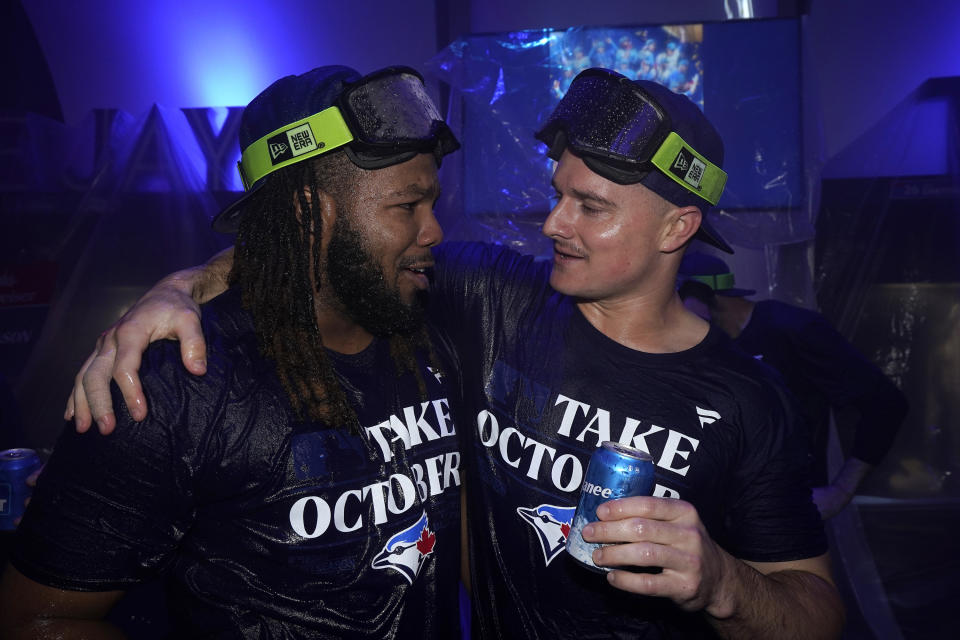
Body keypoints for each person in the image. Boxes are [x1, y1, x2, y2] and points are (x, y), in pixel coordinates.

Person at [61, 68, 846, 638]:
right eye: (557, 194)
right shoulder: (494, 300)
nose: (552, 224)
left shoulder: (750, 401)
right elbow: (327, 250)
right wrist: (181, 286)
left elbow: (814, 608)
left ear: (677, 229)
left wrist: (722, 582)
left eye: (590, 207)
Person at [0, 64, 465, 638]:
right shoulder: (174, 381)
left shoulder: (430, 326)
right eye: (407, 206)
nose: (435, 230)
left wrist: (186, 279)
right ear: (307, 215)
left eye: (433, 203)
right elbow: (37, 621)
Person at [678, 251, 909, 518]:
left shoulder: (794, 330)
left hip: (786, 514)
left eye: (674, 300)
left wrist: (841, 491)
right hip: (722, 513)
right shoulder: (706, 345)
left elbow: (886, 403)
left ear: (703, 294)